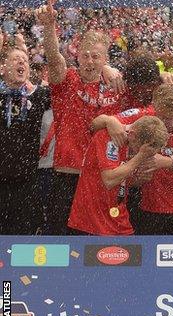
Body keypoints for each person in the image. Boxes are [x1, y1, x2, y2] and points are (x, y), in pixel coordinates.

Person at [36, 0, 124, 234]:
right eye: (85, 56)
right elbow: (54, 57)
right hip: (68, 177)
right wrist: (48, 26)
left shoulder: (116, 85)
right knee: (61, 243)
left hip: (101, 180)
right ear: (77, 58)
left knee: (95, 246)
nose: (90, 61)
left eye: (96, 57)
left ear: (106, 59)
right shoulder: (68, 82)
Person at [92, 84, 173, 234]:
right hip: (152, 208)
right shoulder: (143, 117)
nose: (169, 123)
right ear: (154, 107)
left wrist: (168, 162)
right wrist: (109, 121)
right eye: (164, 118)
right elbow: (94, 124)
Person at [67, 116, 168, 235]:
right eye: (141, 150)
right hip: (91, 221)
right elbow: (109, 180)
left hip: (118, 217)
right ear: (132, 135)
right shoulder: (108, 137)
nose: (138, 153)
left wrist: (138, 179)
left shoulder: (135, 144)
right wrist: (140, 156)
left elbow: (123, 181)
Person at [0, 48, 50, 234]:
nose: (22, 63)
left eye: (25, 61)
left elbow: (66, 87)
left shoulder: (37, 96)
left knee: (23, 243)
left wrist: (105, 70)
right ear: (2, 68)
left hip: (26, 185)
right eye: (16, 59)